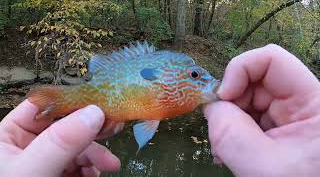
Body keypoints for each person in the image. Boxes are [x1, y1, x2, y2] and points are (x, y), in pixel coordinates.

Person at [0, 44, 319, 176]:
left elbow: (145, 119)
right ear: (168, 80)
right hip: (105, 98)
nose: (205, 83)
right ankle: (61, 101)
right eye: (195, 76)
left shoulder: (171, 94)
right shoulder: (162, 81)